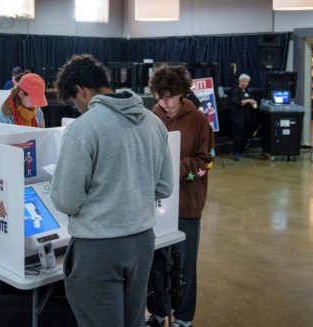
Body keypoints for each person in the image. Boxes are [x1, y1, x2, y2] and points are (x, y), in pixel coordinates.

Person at [50, 54, 174, 327]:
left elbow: (67, 200)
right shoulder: (154, 122)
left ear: (81, 91)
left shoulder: (83, 129)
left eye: (73, 100)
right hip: (142, 242)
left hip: (98, 247)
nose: (78, 107)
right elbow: (164, 186)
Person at [146, 65, 215, 327]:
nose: (165, 102)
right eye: (160, 96)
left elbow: (206, 161)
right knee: (156, 263)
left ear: (182, 93)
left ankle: (184, 318)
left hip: (187, 203)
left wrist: (175, 167)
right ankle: (159, 311)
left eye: (170, 96)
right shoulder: (151, 116)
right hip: (156, 204)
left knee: (184, 266)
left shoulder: (198, 119)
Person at [230, 73, 257, 161]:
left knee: (245, 135)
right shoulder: (235, 91)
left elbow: (249, 101)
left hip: (246, 117)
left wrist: (253, 102)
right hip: (238, 118)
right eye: (244, 81)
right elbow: (237, 103)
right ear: (240, 81)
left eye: (247, 82)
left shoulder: (247, 91)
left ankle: (243, 151)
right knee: (237, 136)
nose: (246, 84)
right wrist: (248, 100)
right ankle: (235, 153)